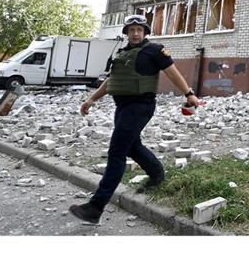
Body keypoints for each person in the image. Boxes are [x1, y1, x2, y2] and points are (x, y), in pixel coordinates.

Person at [69, 14, 199, 224]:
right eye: (131, 30)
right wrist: (92, 99)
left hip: (141, 106)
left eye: (139, 30)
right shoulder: (123, 53)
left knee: (117, 151)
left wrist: (189, 93)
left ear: (145, 32)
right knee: (131, 146)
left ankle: (95, 207)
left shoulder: (154, 51)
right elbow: (112, 80)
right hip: (122, 107)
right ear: (126, 33)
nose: (136, 33)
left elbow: (173, 73)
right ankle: (157, 175)